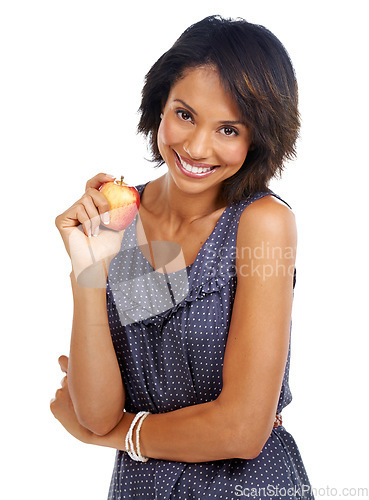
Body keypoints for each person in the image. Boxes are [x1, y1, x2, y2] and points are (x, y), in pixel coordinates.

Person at [50, 15, 314, 499]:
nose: (195, 147)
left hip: (246, 489)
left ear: (259, 137)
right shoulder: (123, 216)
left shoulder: (261, 225)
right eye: (185, 114)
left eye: (229, 129)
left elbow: (241, 430)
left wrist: (114, 436)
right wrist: (88, 272)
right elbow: (96, 410)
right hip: (140, 486)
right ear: (161, 104)